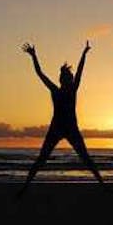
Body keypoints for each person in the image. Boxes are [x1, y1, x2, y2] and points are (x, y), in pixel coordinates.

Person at [19, 41, 105, 196]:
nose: (70, 79)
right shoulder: (57, 90)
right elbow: (40, 74)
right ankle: (25, 187)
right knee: (42, 159)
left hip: (71, 129)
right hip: (57, 128)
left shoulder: (72, 89)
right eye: (67, 77)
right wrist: (33, 56)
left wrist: (84, 54)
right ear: (62, 80)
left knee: (86, 158)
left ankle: (103, 186)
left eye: (70, 77)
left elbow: (80, 71)